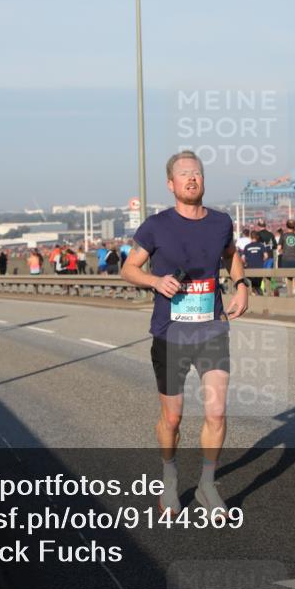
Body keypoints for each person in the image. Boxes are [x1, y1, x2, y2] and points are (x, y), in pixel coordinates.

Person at [121, 150, 248, 519]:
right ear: (171, 184)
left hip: (211, 329)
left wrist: (241, 285)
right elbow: (129, 269)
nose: (191, 179)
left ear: (203, 180)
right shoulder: (156, 226)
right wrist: (155, 280)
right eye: (183, 174)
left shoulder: (221, 222)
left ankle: (208, 485)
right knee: (173, 420)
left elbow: (231, 256)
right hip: (170, 333)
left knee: (217, 412)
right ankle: (170, 478)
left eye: (197, 173)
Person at [277, 220, 295, 298]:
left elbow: (278, 248)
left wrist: (283, 251)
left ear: (286, 226)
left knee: (287, 276)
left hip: (285, 258)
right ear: (294, 227)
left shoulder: (283, 236)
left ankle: (291, 292)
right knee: (294, 277)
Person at [240, 230, 269, 295]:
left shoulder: (247, 246)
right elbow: (266, 256)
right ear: (257, 237)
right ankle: (259, 296)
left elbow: (242, 258)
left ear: (250, 237)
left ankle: (253, 296)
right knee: (258, 286)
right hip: (259, 268)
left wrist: (246, 263)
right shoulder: (261, 246)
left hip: (250, 268)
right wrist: (261, 260)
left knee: (251, 285)